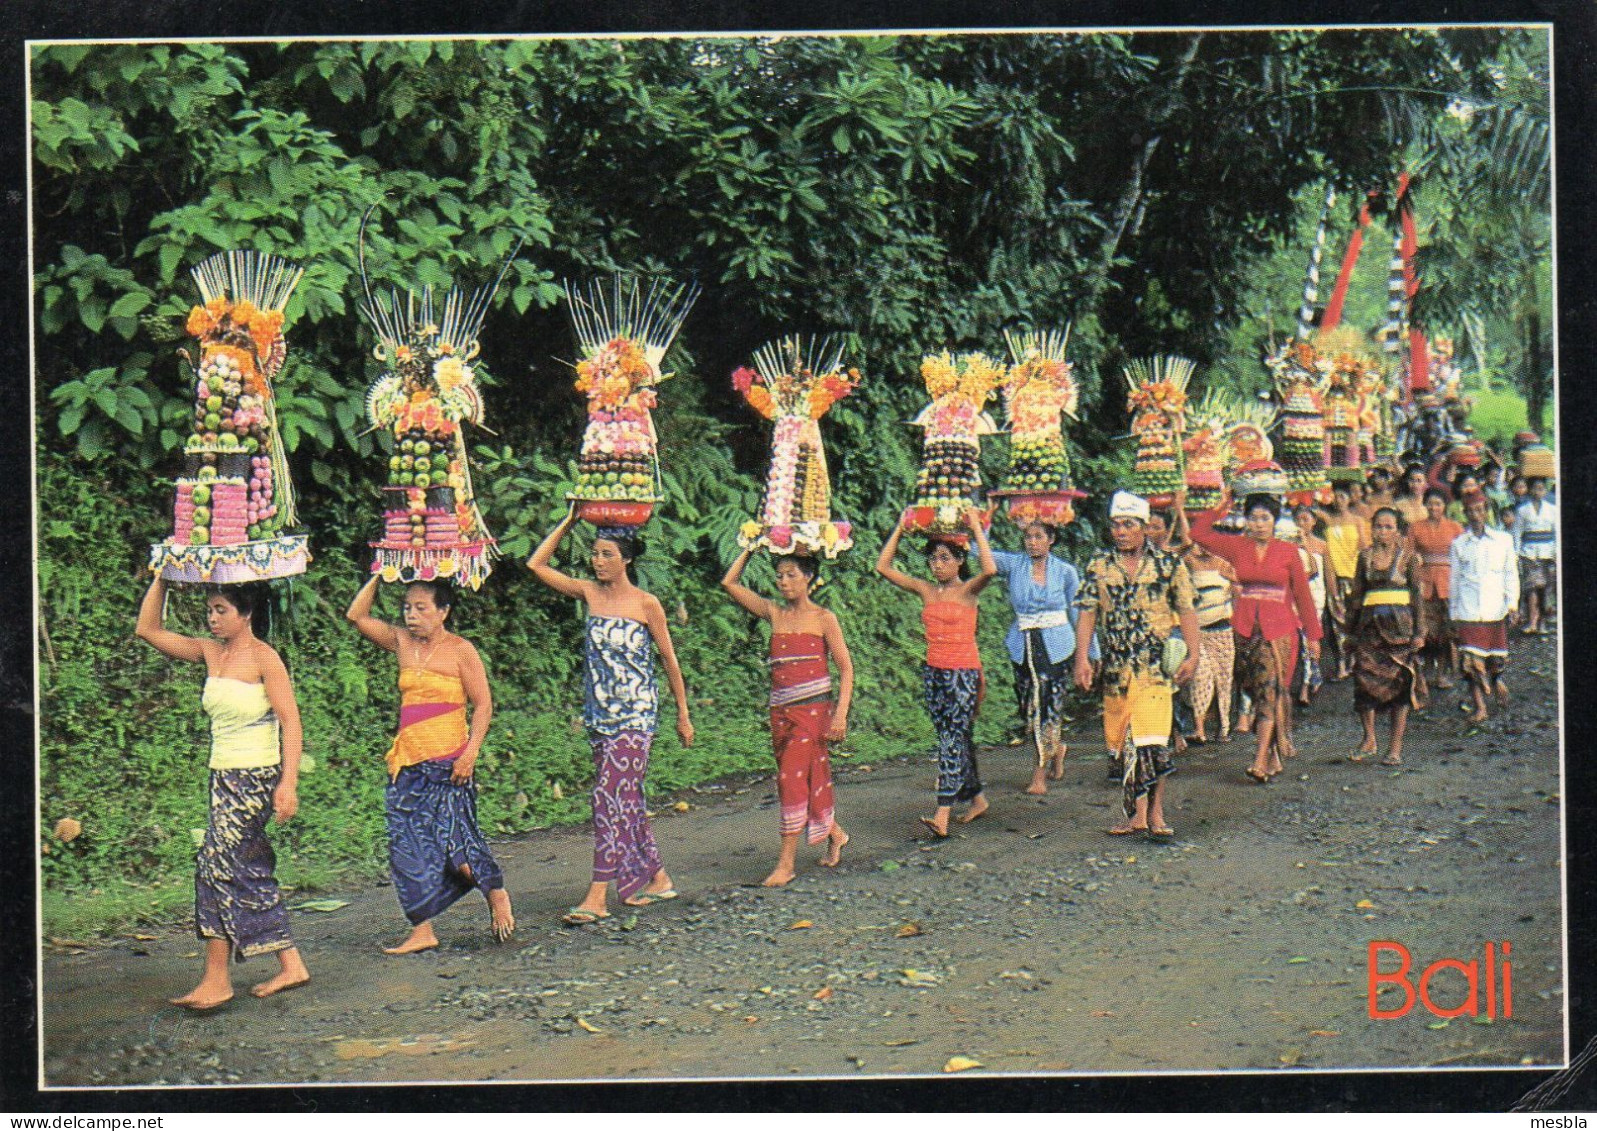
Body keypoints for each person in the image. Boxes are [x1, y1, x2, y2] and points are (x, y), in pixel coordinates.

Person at [135, 577, 310, 1008]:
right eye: (210, 611)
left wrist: (288, 783)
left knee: (215, 864)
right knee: (242, 868)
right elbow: (148, 629)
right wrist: (162, 577)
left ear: (246, 613)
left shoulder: (265, 659)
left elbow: (291, 721)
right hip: (222, 777)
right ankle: (291, 963)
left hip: (256, 776)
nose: (212, 619)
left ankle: (217, 978)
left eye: (221, 611)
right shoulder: (209, 651)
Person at [527, 511, 692, 923]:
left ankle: (597, 895)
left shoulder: (646, 604)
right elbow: (536, 564)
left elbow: (669, 662)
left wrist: (683, 716)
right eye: (594, 553)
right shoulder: (589, 593)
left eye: (606, 554)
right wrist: (567, 521)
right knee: (628, 800)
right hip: (600, 715)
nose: (597, 561)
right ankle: (658, 877)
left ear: (627, 559)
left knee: (606, 797)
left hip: (637, 716)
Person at [346, 576, 515, 950]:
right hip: (408, 759)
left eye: (422, 608)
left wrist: (470, 753)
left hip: (448, 759)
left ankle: (495, 892)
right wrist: (381, 571)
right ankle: (423, 930)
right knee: (406, 846)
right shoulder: (401, 642)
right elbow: (356, 615)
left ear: (444, 612)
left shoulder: (460, 650)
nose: (412, 615)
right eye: (407, 607)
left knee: (457, 844)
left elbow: (483, 704)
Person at [722, 547, 852, 886]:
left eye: (791, 575)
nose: (783, 582)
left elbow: (846, 669)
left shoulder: (824, 618)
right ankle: (834, 833)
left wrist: (840, 716)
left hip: (813, 710)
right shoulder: (774, 613)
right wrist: (750, 547)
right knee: (797, 775)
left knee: (790, 779)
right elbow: (730, 582)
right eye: (779, 575)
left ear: (809, 577)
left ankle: (786, 863)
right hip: (780, 710)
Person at [1074, 491, 1199, 838]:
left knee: (1152, 741)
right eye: (1116, 525)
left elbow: (1187, 610)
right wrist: (1082, 657)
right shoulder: (1099, 566)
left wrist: (1193, 654)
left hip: (1154, 668)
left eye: (1128, 525)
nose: (1121, 531)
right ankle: (1135, 814)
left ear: (1144, 527)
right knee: (1123, 741)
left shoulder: (1168, 565)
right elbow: (1087, 612)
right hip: (1116, 671)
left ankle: (1155, 813)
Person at [877, 509, 998, 837]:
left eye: (945, 558)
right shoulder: (925, 589)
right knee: (956, 736)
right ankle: (977, 798)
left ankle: (942, 812)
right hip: (934, 672)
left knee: (951, 738)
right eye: (933, 559)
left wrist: (974, 527)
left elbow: (990, 568)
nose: (937, 564)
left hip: (963, 673)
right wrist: (900, 528)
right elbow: (883, 567)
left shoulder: (968, 591)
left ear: (959, 560)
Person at [1188, 487, 1322, 782]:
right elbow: (1198, 534)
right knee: (1256, 689)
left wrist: (1313, 637)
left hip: (1280, 632)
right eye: (1253, 518)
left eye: (1265, 518)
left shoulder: (1288, 552)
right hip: (1246, 629)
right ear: (1245, 520)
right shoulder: (1237, 547)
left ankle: (1260, 760)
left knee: (1270, 691)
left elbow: (1302, 596)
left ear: (1275, 521)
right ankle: (1273, 753)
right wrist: (1221, 506)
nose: (1259, 523)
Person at [990, 520, 1091, 794]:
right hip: (1023, 645)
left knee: (1048, 707)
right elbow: (980, 553)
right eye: (1027, 536)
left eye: (1038, 536)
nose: (1032, 542)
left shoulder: (1066, 572)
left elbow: (1081, 612)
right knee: (1028, 708)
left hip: (1056, 647)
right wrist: (982, 522)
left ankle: (1039, 775)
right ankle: (1055, 749)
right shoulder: (1014, 565)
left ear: (1051, 539)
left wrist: (1089, 654)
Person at [1346, 507, 1428, 766]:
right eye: (1378, 526)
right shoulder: (1364, 557)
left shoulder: (1409, 559)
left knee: (1400, 686)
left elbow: (1417, 596)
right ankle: (1369, 738)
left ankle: (1395, 747)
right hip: (1369, 628)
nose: (1382, 531)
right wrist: (1349, 631)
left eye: (1388, 527)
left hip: (1399, 629)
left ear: (1398, 531)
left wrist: (1419, 632)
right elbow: (1357, 596)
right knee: (1364, 681)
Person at [1450, 490, 1521, 723]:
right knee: (1470, 661)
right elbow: (1455, 580)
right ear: (1465, 514)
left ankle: (1497, 681)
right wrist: (1454, 613)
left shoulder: (1503, 540)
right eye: (1470, 511)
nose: (1476, 515)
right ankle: (1480, 706)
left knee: (1494, 659)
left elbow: (1511, 574)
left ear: (1487, 511)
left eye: (1480, 510)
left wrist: (1512, 604)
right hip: (1468, 610)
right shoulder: (1460, 544)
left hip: (1494, 608)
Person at [1181, 535, 1237, 744]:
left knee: (1223, 679)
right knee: (1200, 675)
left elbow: (1239, 591)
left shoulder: (1226, 564)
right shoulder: (1188, 562)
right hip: (1197, 631)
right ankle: (1199, 729)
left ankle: (1223, 728)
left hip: (1222, 630)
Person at [1407, 488, 1463, 691]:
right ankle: (1427, 671)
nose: (1434, 508)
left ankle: (1443, 672)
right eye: (1430, 503)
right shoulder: (1415, 527)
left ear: (1444, 506)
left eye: (1438, 504)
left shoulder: (1455, 527)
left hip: (1449, 582)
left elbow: (1463, 556)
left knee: (1446, 631)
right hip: (1425, 581)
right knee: (1426, 629)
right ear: (1425, 504)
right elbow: (1410, 555)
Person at [1315, 482, 1371, 681]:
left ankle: (1353, 661)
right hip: (1333, 575)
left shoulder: (1358, 521)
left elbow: (1364, 548)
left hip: (1354, 575)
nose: (1339, 501)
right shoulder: (1327, 520)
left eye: (1342, 496)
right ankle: (1340, 664)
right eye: (1335, 496)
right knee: (1335, 623)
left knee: (1354, 620)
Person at [1289, 506, 1330, 707]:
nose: (1301, 524)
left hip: (1315, 594)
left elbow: (1324, 573)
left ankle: (1306, 681)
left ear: (1313, 522)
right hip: (1296, 594)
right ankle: (1310, 673)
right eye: (1298, 520)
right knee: (1299, 636)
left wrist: (1334, 596)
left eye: (1305, 519)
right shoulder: (1288, 545)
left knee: (1310, 636)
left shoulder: (1321, 545)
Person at [1513, 477, 1558, 635]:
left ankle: (1543, 622)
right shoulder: (1522, 510)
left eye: (1541, 488)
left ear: (1545, 491)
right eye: (1534, 488)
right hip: (1529, 553)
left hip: (1548, 552)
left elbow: (1557, 533)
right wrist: (1516, 554)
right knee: (1531, 588)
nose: (1537, 491)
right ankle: (1532, 621)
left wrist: (1556, 553)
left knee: (1546, 589)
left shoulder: (1552, 509)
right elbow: (1517, 533)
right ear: (1529, 490)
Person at [1392, 464, 1429, 530]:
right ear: (1407, 482)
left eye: (1419, 480)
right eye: (1412, 480)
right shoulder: (1398, 505)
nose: (1415, 484)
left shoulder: (1431, 504)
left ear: (1425, 483)